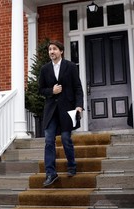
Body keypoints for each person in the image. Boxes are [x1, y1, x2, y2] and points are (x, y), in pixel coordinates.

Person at [39, 40, 84, 187]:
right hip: (51, 110)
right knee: (48, 140)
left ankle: (71, 166)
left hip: (67, 109)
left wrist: (79, 106)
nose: (52, 51)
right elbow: (40, 90)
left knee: (66, 138)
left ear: (61, 51)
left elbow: (78, 87)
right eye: (50, 49)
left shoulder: (70, 67)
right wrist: (51, 91)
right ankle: (50, 173)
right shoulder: (45, 69)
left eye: (54, 49)